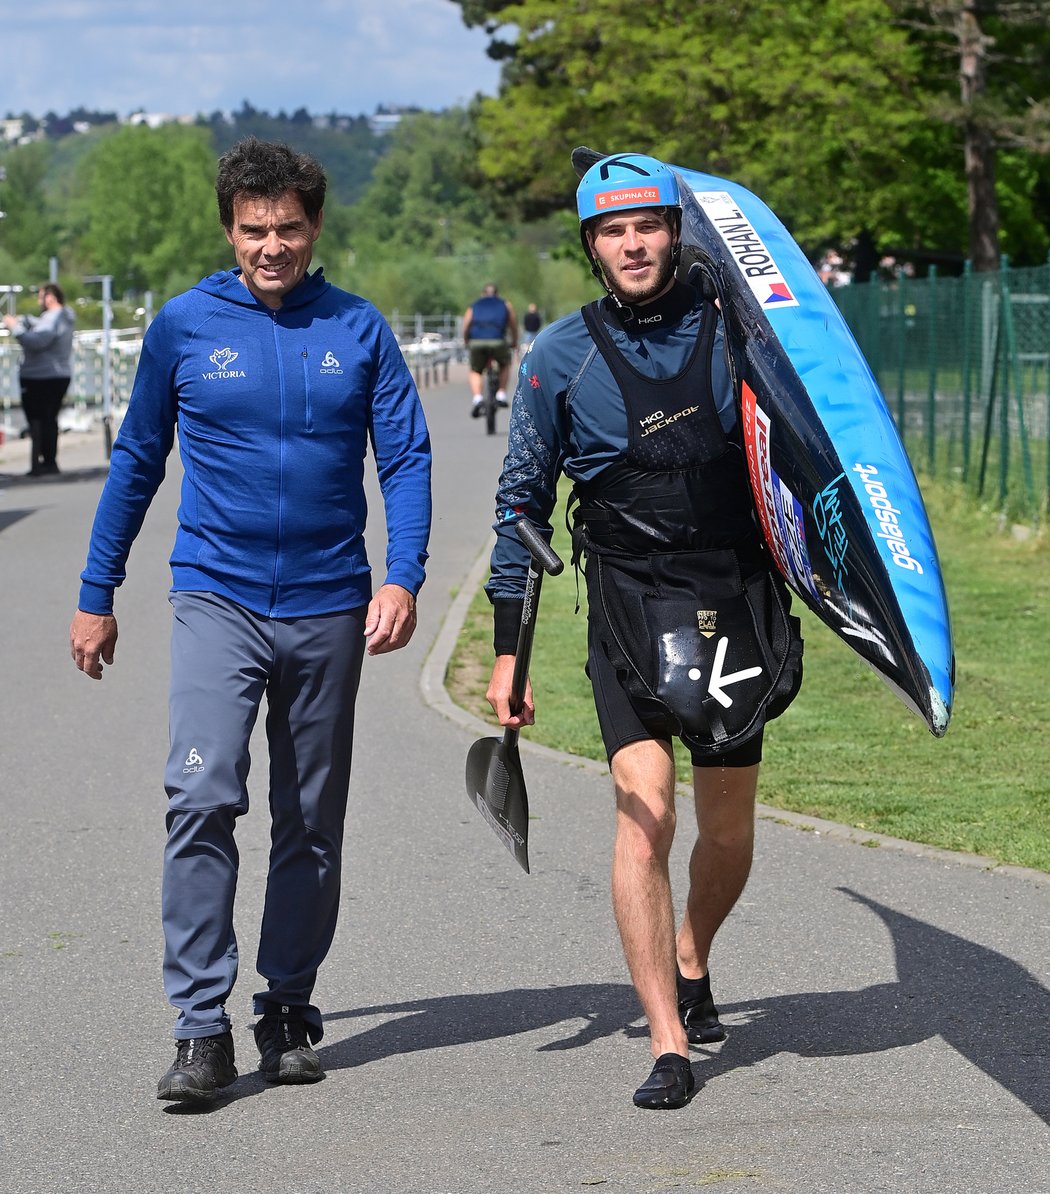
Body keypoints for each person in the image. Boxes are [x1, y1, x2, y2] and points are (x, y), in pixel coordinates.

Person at [69, 137, 433, 1104]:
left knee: (311, 817)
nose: (271, 246)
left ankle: (286, 1008)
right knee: (200, 796)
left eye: (288, 229)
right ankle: (200, 1029)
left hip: (328, 603)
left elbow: (404, 456)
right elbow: (137, 460)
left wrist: (403, 577)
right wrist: (96, 592)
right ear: (229, 230)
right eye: (253, 230)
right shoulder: (185, 326)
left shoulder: (357, 330)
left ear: (314, 227)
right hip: (216, 596)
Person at [482, 152, 803, 1110]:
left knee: (731, 837)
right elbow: (520, 507)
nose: (633, 244)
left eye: (648, 226)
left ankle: (692, 951)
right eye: (613, 232)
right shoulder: (557, 360)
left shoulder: (739, 335)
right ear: (592, 246)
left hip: (733, 596)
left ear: (676, 232)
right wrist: (508, 649)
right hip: (626, 601)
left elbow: (814, 445)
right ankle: (670, 1043)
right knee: (645, 806)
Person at [2, 282, 75, 476]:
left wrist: (15, 327)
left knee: (38, 420)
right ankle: (47, 462)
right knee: (48, 419)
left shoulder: (54, 317)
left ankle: (43, 464)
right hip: (57, 375)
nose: (38, 301)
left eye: (40, 296)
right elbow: (43, 328)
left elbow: (38, 341)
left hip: (40, 376)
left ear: (50, 298)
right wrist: (27, 320)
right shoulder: (63, 317)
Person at [462, 283, 517, 416]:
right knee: (504, 364)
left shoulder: (474, 305)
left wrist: (466, 341)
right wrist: (514, 341)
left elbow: (466, 325)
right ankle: (501, 394)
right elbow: (513, 324)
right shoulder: (505, 304)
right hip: (498, 341)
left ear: (483, 294)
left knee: (475, 370)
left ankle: (477, 398)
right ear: (497, 294)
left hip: (477, 342)